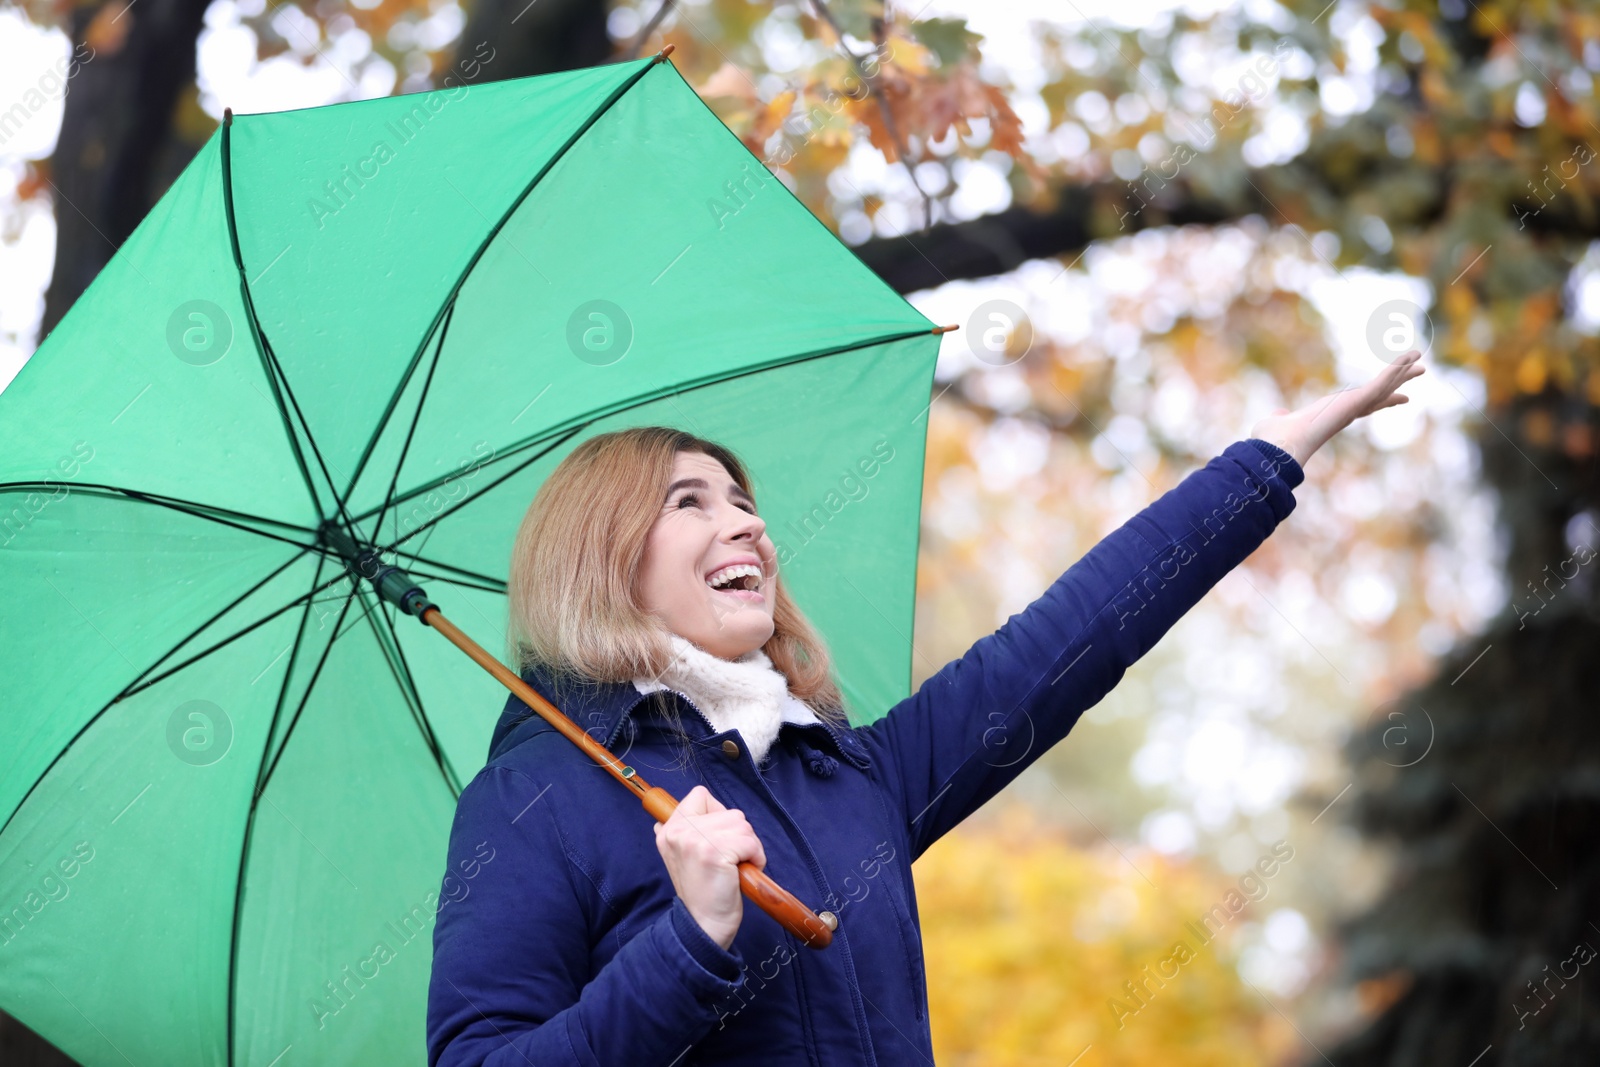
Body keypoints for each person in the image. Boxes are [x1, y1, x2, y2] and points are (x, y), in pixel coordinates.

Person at [425, 352, 1426, 1066]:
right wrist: (689, 939)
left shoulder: (848, 773)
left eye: (741, 500)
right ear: (601, 554)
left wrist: (1271, 454)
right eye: (690, 502)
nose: (747, 522)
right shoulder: (531, 799)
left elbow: (1071, 637)